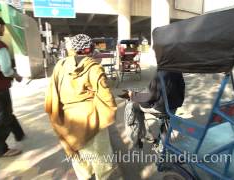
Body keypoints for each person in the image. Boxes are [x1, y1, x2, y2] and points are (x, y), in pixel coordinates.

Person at [45, 34, 117, 180]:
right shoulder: (94, 67)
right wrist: (109, 114)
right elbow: (106, 96)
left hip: (69, 119)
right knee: (101, 158)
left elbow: (53, 92)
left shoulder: (60, 65)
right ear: (90, 48)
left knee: (78, 154)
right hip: (92, 121)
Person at [0, 14, 25, 157]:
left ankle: (19, 134)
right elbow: (6, 69)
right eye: (3, 27)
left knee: (5, 112)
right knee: (3, 116)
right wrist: (17, 76)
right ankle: (2, 149)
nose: (3, 30)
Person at [123, 70, 185, 148]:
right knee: (164, 120)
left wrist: (133, 95)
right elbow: (182, 87)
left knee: (132, 105)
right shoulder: (176, 69)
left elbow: (148, 98)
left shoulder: (156, 72)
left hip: (162, 108)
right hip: (174, 106)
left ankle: (142, 136)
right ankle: (161, 142)